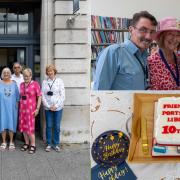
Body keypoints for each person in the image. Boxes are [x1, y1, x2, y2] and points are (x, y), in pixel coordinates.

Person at [93, 11, 158, 90]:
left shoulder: (146, 56)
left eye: (152, 32)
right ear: (131, 30)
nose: (148, 36)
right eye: (143, 30)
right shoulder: (113, 53)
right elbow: (99, 92)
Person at [148, 17, 180, 90]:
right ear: (162, 36)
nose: (174, 39)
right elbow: (153, 93)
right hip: (162, 101)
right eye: (170, 34)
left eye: (178, 35)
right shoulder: (152, 61)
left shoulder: (178, 58)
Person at [42, 65, 65, 152]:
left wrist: (56, 106)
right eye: (48, 71)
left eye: (51, 71)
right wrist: (48, 106)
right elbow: (43, 95)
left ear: (54, 71)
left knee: (57, 126)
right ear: (47, 72)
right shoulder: (45, 82)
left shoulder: (59, 81)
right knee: (48, 126)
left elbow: (62, 95)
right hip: (48, 108)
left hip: (58, 108)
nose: (50, 72)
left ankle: (56, 144)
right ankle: (48, 144)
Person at [19, 68, 42, 154]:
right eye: (24, 76)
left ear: (31, 76)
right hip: (22, 110)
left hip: (31, 110)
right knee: (24, 127)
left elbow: (39, 96)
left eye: (28, 76)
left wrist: (37, 108)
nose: (26, 77)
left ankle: (33, 145)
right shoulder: (21, 85)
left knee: (30, 128)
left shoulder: (35, 84)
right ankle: (26, 143)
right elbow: (21, 97)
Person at [0, 67, 19, 151]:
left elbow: (18, 97)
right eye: (4, 72)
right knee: (2, 123)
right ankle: (3, 142)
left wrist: (16, 107)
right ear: (2, 74)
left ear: (10, 74)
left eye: (8, 72)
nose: (6, 74)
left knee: (11, 123)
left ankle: (11, 142)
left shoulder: (14, 84)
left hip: (12, 108)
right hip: (2, 107)